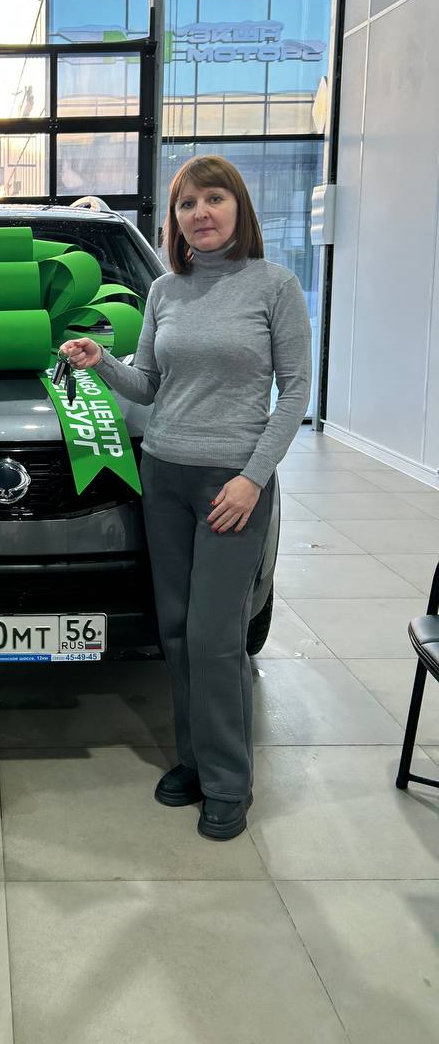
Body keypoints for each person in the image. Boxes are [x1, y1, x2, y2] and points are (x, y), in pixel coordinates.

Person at [60, 155, 311, 841]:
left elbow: (295, 392)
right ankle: (195, 762)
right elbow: (148, 384)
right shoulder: (166, 292)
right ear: (173, 219)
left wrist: (253, 477)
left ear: (238, 207)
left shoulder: (274, 286)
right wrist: (102, 363)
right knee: (174, 629)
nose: (200, 213)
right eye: (186, 204)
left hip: (231, 483)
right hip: (164, 475)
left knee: (216, 636)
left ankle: (229, 783)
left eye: (213, 198)